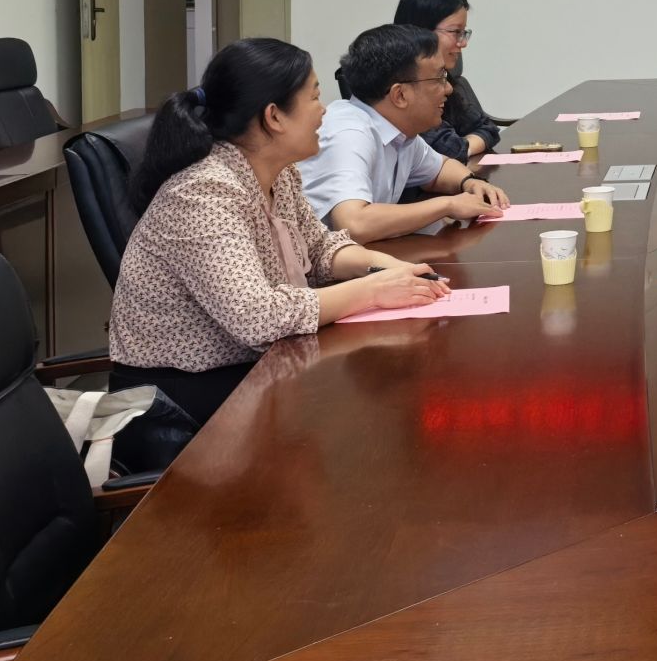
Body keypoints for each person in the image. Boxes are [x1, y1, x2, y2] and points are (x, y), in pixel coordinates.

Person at [108, 37, 454, 432]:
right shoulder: (203, 192)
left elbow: (320, 249)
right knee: (365, 411)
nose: (324, 111)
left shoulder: (280, 173)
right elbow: (258, 317)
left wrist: (386, 267)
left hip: (258, 366)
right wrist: (374, 290)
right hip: (181, 396)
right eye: (314, 98)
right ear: (274, 117)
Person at [301, 23, 511, 242]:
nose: (449, 88)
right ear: (400, 95)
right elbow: (353, 224)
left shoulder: (397, 130)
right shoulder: (350, 133)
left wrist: (470, 182)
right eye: (440, 78)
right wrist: (448, 205)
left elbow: (439, 170)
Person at [393, 0, 500, 160]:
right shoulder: (406, 85)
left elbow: (488, 128)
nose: (463, 43)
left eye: (464, 33)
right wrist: (464, 147)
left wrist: (464, 148)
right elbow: (448, 149)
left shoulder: (445, 79)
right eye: (455, 32)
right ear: (421, 31)